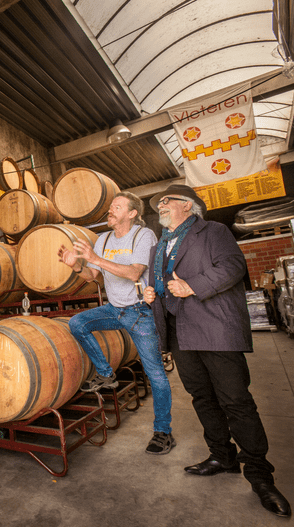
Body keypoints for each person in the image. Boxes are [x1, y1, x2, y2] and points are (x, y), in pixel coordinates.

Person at [142, 184, 291, 517]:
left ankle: (260, 476)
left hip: (214, 328)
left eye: (166, 200)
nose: (161, 206)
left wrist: (191, 286)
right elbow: (164, 286)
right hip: (180, 333)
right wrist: (154, 294)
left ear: (188, 206)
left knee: (235, 400)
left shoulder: (213, 232)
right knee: (202, 397)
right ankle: (222, 457)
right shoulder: (159, 247)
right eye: (160, 202)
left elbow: (233, 267)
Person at [57, 192, 174, 455]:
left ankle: (163, 432)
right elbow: (92, 277)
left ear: (132, 213)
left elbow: (134, 271)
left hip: (140, 312)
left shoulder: (143, 236)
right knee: (77, 323)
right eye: (110, 207)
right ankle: (106, 374)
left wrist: (95, 259)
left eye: (116, 207)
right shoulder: (104, 239)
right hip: (115, 309)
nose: (110, 211)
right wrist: (76, 267)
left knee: (155, 374)